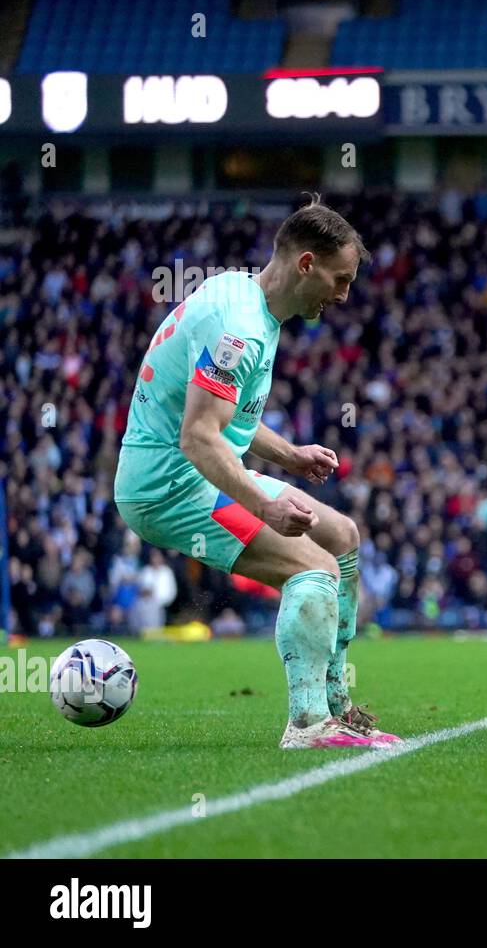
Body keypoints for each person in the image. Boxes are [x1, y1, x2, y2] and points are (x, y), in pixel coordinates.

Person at [113, 194, 399, 749]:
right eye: (340, 281)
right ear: (306, 265)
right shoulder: (238, 330)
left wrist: (288, 453)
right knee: (312, 568)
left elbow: (225, 417)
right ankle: (309, 724)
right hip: (168, 485)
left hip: (195, 467)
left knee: (341, 536)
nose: (344, 295)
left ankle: (338, 701)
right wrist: (264, 504)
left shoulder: (244, 295)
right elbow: (198, 437)